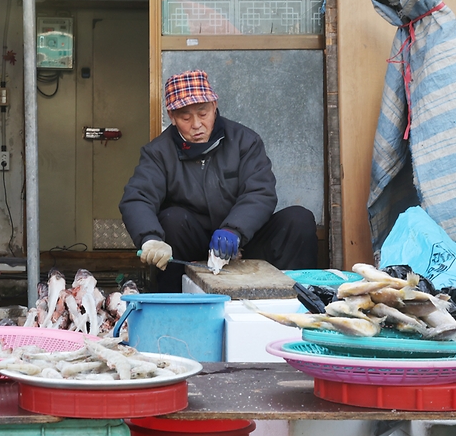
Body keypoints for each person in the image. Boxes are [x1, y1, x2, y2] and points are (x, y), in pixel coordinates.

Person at [119, 70, 318, 292]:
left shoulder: (245, 141)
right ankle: (177, 308)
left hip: (243, 240)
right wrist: (150, 238)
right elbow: (137, 198)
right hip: (193, 248)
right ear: (172, 117)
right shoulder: (158, 152)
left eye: (203, 113)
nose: (196, 124)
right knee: (172, 219)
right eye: (185, 117)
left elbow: (260, 192)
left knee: (299, 220)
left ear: (214, 106)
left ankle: (298, 300)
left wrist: (235, 230)